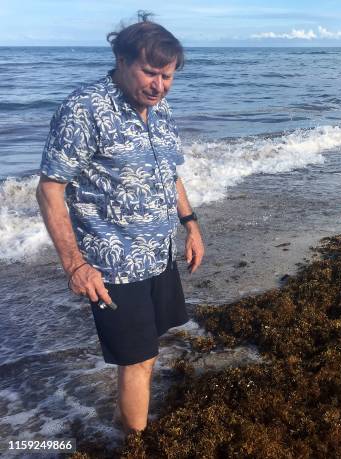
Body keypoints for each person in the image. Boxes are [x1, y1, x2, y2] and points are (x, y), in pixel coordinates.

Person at [36, 12, 205, 434]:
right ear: (121, 59)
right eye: (150, 73)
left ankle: (122, 423)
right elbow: (50, 188)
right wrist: (75, 265)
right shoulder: (84, 109)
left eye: (168, 77)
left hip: (158, 256)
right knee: (136, 361)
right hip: (113, 266)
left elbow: (170, 173)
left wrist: (191, 224)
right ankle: (134, 441)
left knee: (147, 353)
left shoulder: (160, 110)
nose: (159, 86)